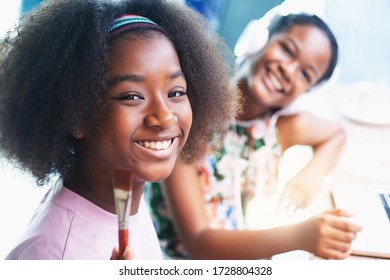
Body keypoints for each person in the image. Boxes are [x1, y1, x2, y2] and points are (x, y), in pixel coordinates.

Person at [0, 0, 237, 260]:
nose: (164, 116)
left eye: (176, 92)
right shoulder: (54, 254)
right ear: (77, 115)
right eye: (132, 96)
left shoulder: (126, 200)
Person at [148, 7, 363, 260]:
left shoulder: (276, 129)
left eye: (306, 74)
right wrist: (301, 237)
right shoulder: (188, 123)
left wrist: (313, 172)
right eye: (287, 49)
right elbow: (200, 244)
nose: (289, 70)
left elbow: (337, 134)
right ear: (256, 38)